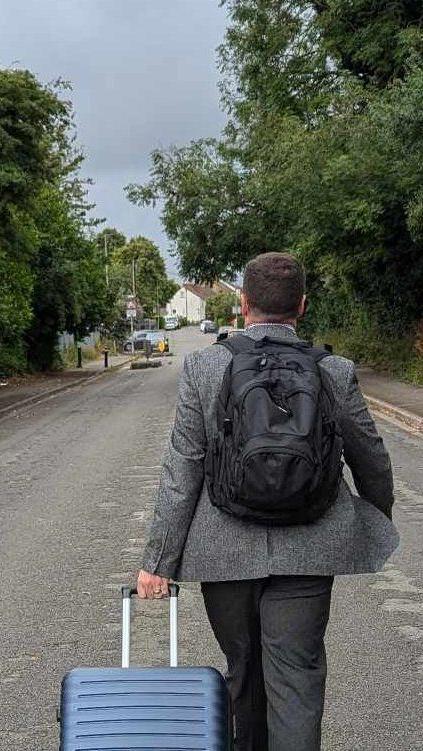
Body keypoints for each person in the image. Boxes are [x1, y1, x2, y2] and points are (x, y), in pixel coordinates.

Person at [137, 252, 399, 751]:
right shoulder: (334, 369)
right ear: (301, 305)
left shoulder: (205, 367)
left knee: (244, 671)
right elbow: (371, 457)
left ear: (243, 303)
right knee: (296, 675)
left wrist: (158, 561)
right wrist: (373, 518)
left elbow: (182, 469)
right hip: (309, 546)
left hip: (223, 552)